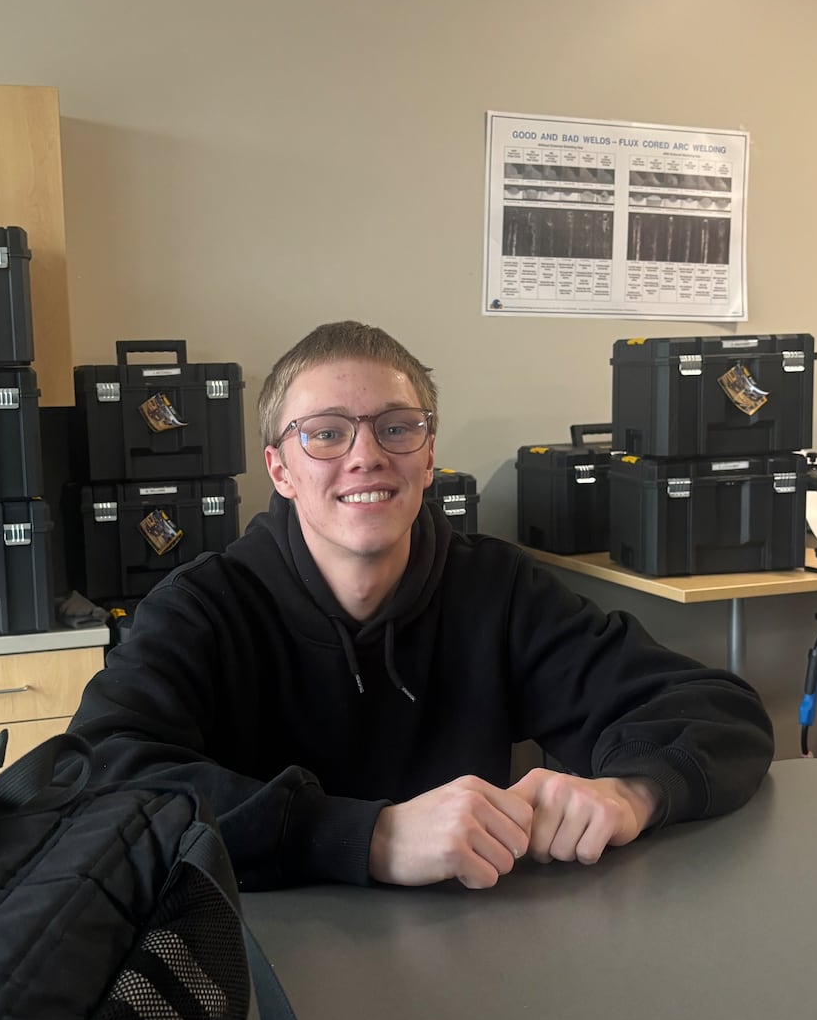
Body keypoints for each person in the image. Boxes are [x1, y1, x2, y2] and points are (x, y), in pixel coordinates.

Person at [72, 321, 775, 891]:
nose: (366, 455)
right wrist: (367, 837)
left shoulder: (496, 590)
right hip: (254, 964)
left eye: (397, 427)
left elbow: (716, 709)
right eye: (325, 433)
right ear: (280, 469)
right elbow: (96, 779)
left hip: (468, 956)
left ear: (429, 454)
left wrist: (633, 792)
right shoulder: (204, 608)